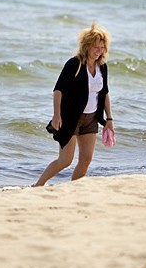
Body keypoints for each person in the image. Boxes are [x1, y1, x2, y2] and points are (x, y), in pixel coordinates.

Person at [34, 22, 114, 186]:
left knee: (86, 159)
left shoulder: (102, 67)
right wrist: (57, 115)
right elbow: (58, 90)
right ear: (87, 46)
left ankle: (74, 189)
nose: (99, 51)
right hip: (71, 118)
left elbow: (104, 93)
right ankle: (38, 184)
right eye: (95, 47)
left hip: (91, 119)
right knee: (65, 160)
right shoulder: (74, 64)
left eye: (102, 47)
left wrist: (109, 120)